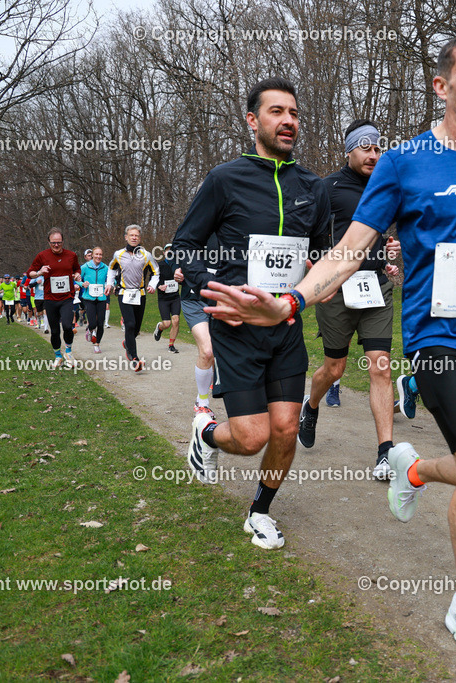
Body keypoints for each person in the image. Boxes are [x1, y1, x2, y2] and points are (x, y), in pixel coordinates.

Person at [203, 36, 456, 665]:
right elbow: (349, 250)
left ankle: (413, 471)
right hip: (436, 339)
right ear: (443, 86)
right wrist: (291, 302)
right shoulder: (404, 163)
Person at [172, 77, 332, 550]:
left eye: (294, 113)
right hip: (237, 328)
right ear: (252, 120)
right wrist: (214, 289)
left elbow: (322, 255)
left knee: (285, 428)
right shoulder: (225, 179)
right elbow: (184, 246)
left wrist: (319, 276)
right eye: (277, 112)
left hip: (285, 325)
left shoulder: (313, 187)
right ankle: (206, 433)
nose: (288, 121)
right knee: (250, 438)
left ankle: (259, 512)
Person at [296, 119, 401, 480]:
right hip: (337, 291)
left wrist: (388, 251)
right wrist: (316, 278)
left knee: (380, 366)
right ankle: (311, 405)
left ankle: (385, 453)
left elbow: (380, 236)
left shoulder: (386, 188)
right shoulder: (327, 188)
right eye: (365, 148)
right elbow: (307, 237)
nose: (373, 155)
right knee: (335, 369)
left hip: (376, 288)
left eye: (377, 148)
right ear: (349, 151)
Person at [172, 232, 220, 419]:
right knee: (207, 350)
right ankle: (202, 402)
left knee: (220, 349)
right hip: (194, 300)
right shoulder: (196, 227)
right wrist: (176, 269)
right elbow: (176, 254)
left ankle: (215, 378)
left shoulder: (233, 227)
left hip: (221, 297)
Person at [105, 224, 159, 373]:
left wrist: (152, 285)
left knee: (136, 329)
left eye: (136, 235)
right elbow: (111, 269)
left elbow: (156, 271)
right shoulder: (118, 254)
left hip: (140, 294)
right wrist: (109, 284)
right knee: (130, 324)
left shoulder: (146, 255)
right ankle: (134, 358)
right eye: (131, 235)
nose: (134, 238)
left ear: (140, 238)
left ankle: (127, 342)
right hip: (124, 293)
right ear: (126, 237)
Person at [27, 229, 82, 369]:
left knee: (68, 326)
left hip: (67, 297)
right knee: (55, 330)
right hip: (50, 298)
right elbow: (30, 273)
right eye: (53, 243)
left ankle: (68, 352)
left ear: (63, 242)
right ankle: (58, 356)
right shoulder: (42, 256)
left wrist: (77, 275)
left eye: (59, 242)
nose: (56, 245)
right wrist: (39, 272)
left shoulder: (71, 255)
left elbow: (77, 269)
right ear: (49, 242)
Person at [153, 243, 181, 353]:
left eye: (171, 251)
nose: (169, 253)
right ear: (164, 253)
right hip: (164, 298)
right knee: (167, 323)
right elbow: (153, 279)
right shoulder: (159, 265)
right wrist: (159, 286)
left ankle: (171, 345)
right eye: (167, 251)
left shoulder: (178, 265)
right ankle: (160, 327)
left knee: (176, 320)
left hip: (175, 297)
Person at [81, 246, 109, 353]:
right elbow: (77, 279)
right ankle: (90, 329)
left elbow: (111, 280)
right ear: (92, 255)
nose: (98, 256)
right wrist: (82, 284)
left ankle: (97, 344)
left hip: (101, 297)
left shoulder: (105, 268)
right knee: (92, 323)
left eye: (100, 254)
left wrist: (108, 285)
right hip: (89, 298)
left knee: (100, 323)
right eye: (96, 254)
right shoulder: (85, 267)